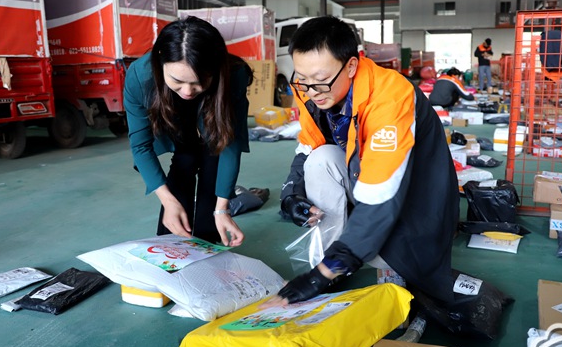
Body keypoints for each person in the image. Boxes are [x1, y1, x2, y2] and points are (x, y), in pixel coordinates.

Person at [264, 16, 459, 307]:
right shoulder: (310, 91)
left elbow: (383, 192)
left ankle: (339, 266)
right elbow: (308, 147)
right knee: (320, 159)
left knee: (405, 268)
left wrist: (320, 276)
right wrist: (291, 195)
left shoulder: (390, 97)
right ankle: (333, 265)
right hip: (364, 182)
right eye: (302, 78)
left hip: (413, 205)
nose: (312, 90)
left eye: (320, 80)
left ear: (351, 66)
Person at [124, 16, 253, 246]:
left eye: (198, 82)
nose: (187, 91)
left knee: (213, 163)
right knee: (184, 162)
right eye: (177, 80)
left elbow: (230, 144)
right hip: (175, 120)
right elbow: (141, 146)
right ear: (161, 60)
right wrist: (167, 201)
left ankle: (209, 239)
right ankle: (173, 240)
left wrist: (222, 209)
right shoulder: (139, 77)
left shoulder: (234, 74)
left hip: (213, 121)